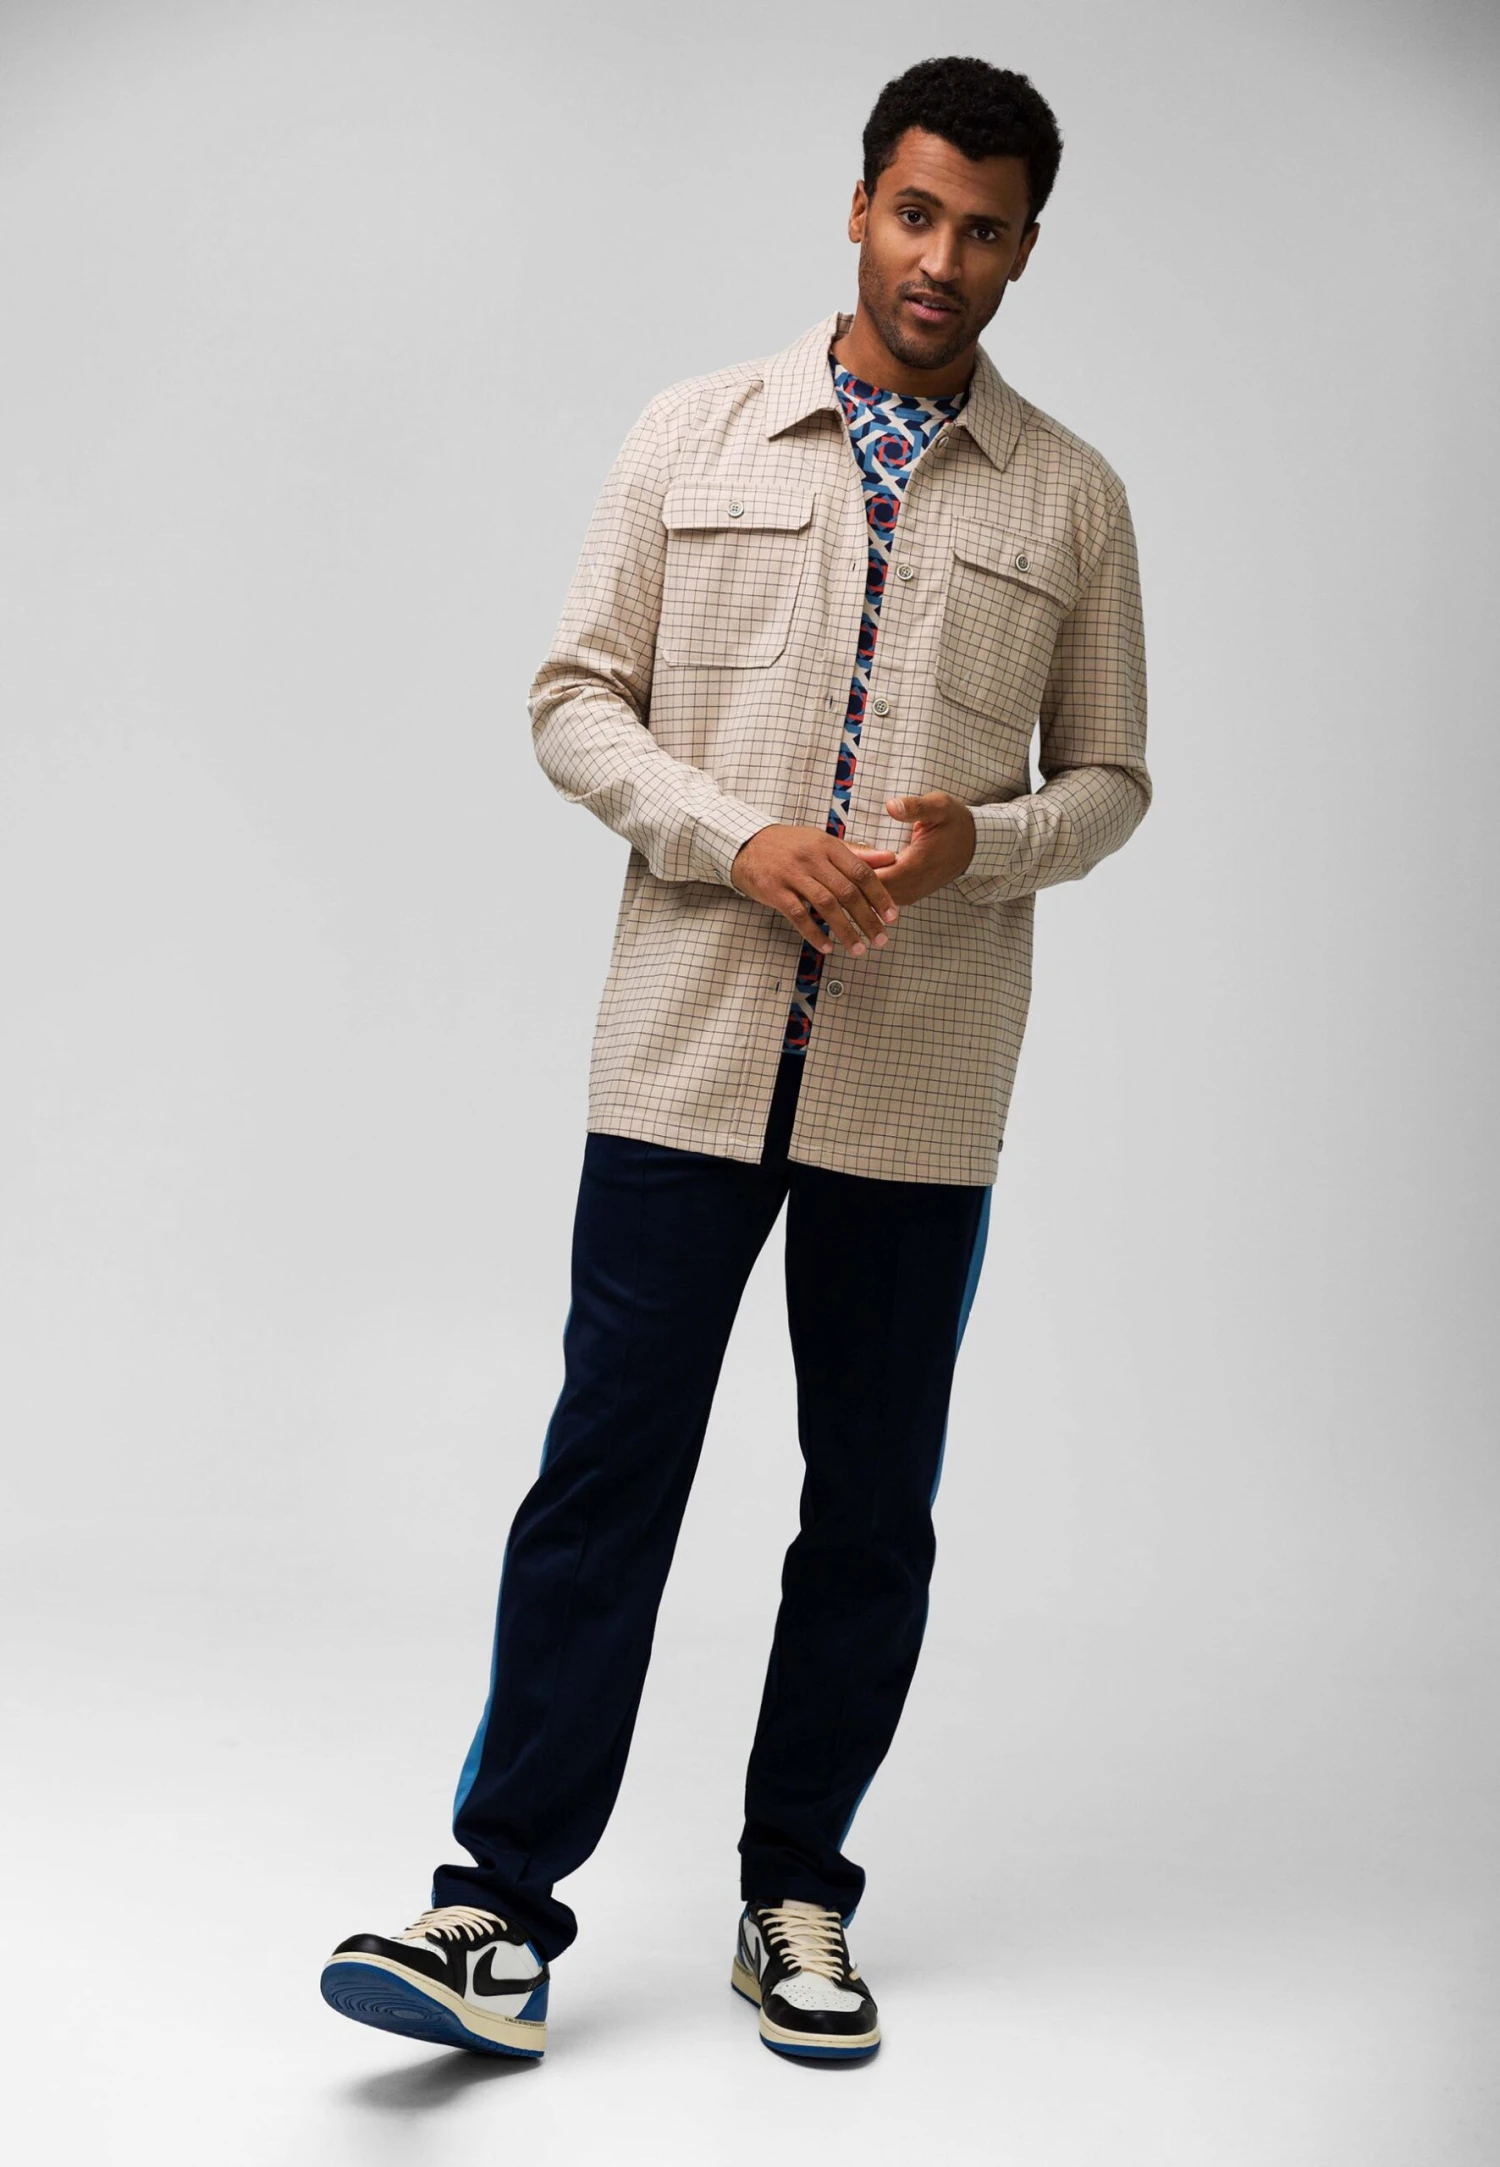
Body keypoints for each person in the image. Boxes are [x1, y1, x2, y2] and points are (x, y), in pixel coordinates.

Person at [320, 52, 1150, 2067]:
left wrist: (976, 846)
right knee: (606, 1474)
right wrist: (730, 833)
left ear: (1027, 249)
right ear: (859, 207)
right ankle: (494, 1913)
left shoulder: (1073, 500)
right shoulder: (688, 434)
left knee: (868, 1506)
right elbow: (573, 697)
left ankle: (796, 1899)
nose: (941, 257)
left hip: (919, 1088)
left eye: (983, 230)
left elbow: (1113, 779)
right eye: (915, 212)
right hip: (684, 1063)